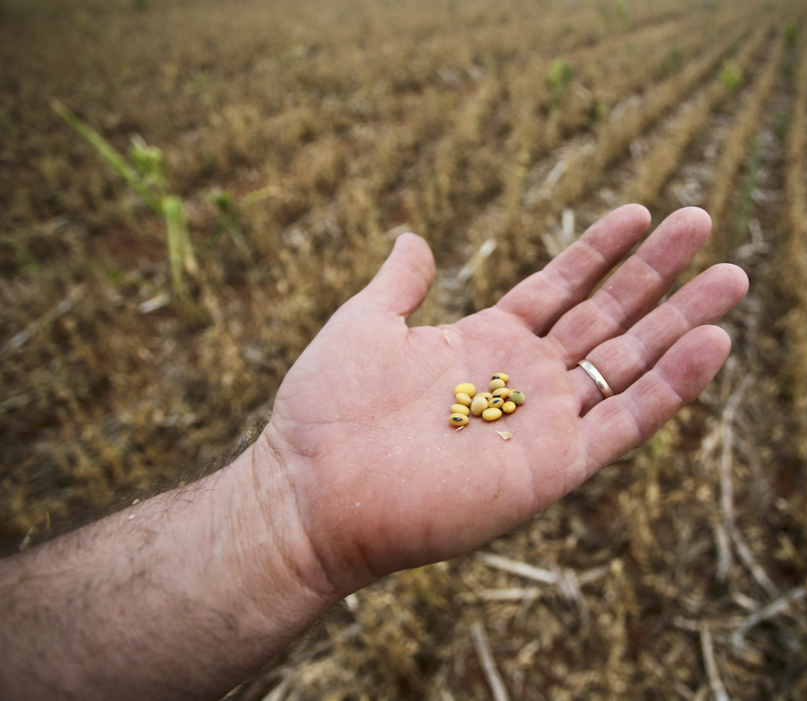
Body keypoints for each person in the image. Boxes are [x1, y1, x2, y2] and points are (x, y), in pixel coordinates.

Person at [0, 204, 748, 701]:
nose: (484, 407)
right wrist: (284, 504)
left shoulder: (487, 401)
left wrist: (277, 513)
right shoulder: (478, 404)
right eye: (482, 406)